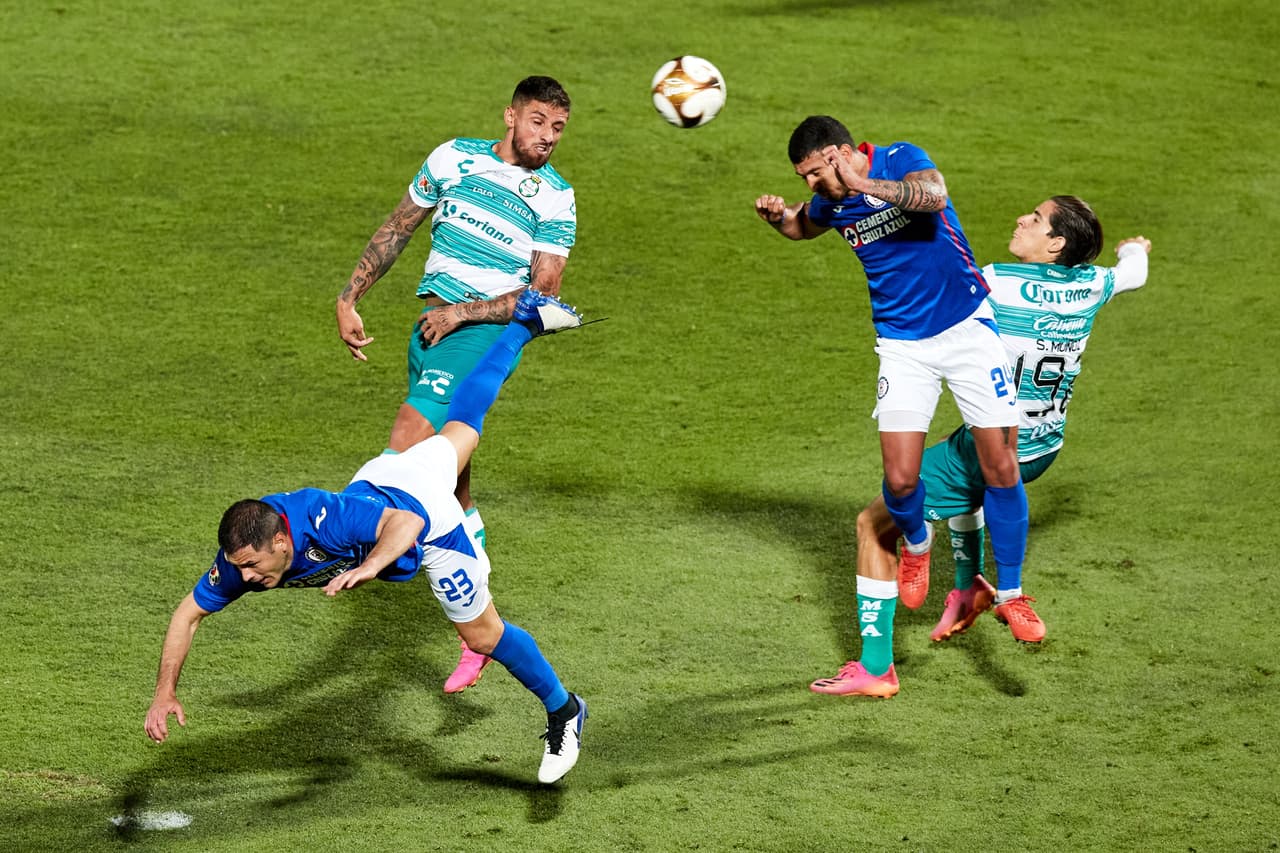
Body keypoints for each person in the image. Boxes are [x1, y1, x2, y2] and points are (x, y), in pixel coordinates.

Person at [145, 289, 589, 784]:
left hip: (426, 516)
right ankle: (523, 325)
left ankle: (565, 711)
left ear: (283, 544)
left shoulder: (326, 519)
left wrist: (369, 566)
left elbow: (408, 525)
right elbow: (187, 614)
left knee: (481, 635)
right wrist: (165, 691)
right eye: (239, 568)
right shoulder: (244, 554)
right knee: (464, 425)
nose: (244, 577)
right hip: (387, 474)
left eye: (252, 567)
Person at [828, 196, 1151, 696]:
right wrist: (1135, 249)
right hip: (1043, 448)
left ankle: (876, 670)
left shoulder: (997, 282)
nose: (1022, 218)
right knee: (963, 458)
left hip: (996, 447)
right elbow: (1133, 273)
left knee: (874, 524)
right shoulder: (1094, 283)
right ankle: (968, 586)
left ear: (1056, 244)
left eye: (1036, 220)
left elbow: (936, 295)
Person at [755, 116, 1028, 699]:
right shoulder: (827, 200)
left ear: (841, 154)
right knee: (900, 481)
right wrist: (780, 217)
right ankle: (919, 546)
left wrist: (864, 184)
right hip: (903, 346)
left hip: (968, 330)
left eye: (814, 172)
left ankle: (1011, 593)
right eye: (802, 178)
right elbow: (805, 226)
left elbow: (934, 195)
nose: (812, 185)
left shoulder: (899, 157)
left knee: (1000, 465)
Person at [335, 76, 577, 693]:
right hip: (428, 329)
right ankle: (481, 631)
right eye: (538, 121)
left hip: (475, 332)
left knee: (407, 444)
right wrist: (350, 295)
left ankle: (336, 545)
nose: (547, 137)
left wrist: (463, 313)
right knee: (453, 487)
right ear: (511, 116)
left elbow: (541, 294)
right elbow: (399, 227)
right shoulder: (455, 157)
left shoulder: (555, 197)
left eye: (558, 128)